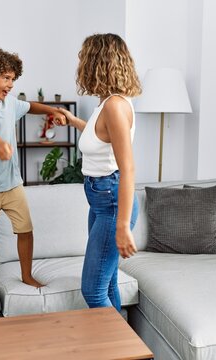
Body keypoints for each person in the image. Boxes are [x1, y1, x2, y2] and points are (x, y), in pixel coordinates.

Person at [0, 47, 66, 288]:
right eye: (6, 78)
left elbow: (30, 106)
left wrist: (53, 110)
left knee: (25, 230)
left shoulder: (10, 103)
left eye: (13, 79)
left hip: (12, 183)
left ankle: (27, 276)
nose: (11, 84)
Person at [58, 34, 142, 311]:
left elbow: (127, 168)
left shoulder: (115, 106)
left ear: (97, 62)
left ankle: (119, 349)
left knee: (92, 291)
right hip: (101, 198)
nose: (81, 63)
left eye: (84, 58)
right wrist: (74, 122)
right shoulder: (107, 103)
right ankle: (123, 346)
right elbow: (101, 138)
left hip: (112, 200)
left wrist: (122, 225)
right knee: (106, 285)